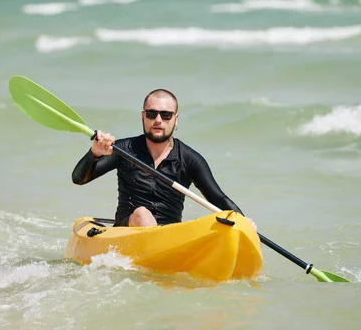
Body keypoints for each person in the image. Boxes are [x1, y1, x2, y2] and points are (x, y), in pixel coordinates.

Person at [72, 89, 255, 228]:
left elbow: (218, 199)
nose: (158, 120)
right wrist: (94, 153)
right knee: (142, 214)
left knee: (218, 223)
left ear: (176, 120)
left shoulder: (190, 160)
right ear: (143, 117)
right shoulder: (124, 150)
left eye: (166, 115)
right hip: (127, 231)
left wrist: (244, 222)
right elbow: (79, 179)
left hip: (168, 238)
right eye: (152, 114)